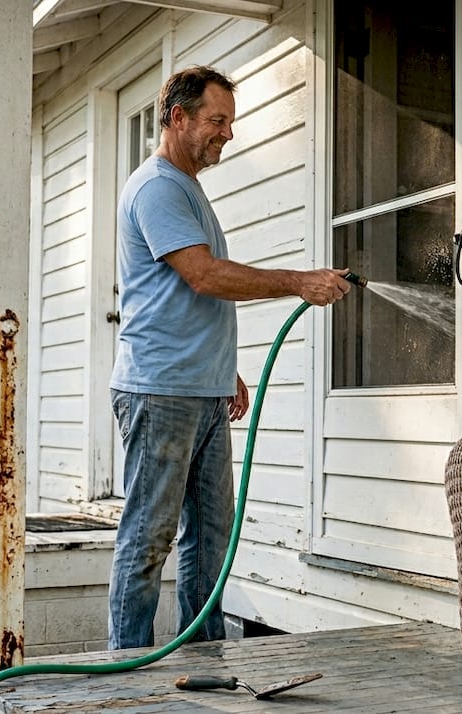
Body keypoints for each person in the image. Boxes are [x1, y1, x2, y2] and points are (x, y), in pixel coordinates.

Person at [107, 65, 352, 649]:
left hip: (201, 388)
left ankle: (204, 662)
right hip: (160, 390)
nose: (227, 134)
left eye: (229, 122)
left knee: (209, 539)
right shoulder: (158, 187)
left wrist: (224, 368)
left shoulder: (187, 187)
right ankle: (122, 672)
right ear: (178, 118)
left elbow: (179, 294)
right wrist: (297, 280)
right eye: (217, 121)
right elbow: (201, 275)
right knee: (148, 538)